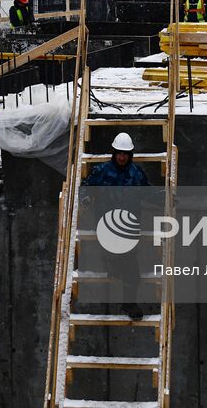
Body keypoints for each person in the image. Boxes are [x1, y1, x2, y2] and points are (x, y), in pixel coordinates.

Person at [82, 132, 151, 320]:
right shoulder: (102, 171)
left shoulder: (136, 174)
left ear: (130, 155)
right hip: (107, 226)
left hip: (128, 226)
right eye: (119, 153)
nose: (122, 157)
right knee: (127, 264)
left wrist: (167, 197)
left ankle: (129, 302)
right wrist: (86, 198)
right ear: (114, 153)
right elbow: (85, 187)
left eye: (125, 154)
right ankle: (127, 300)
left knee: (130, 267)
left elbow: (149, 193)